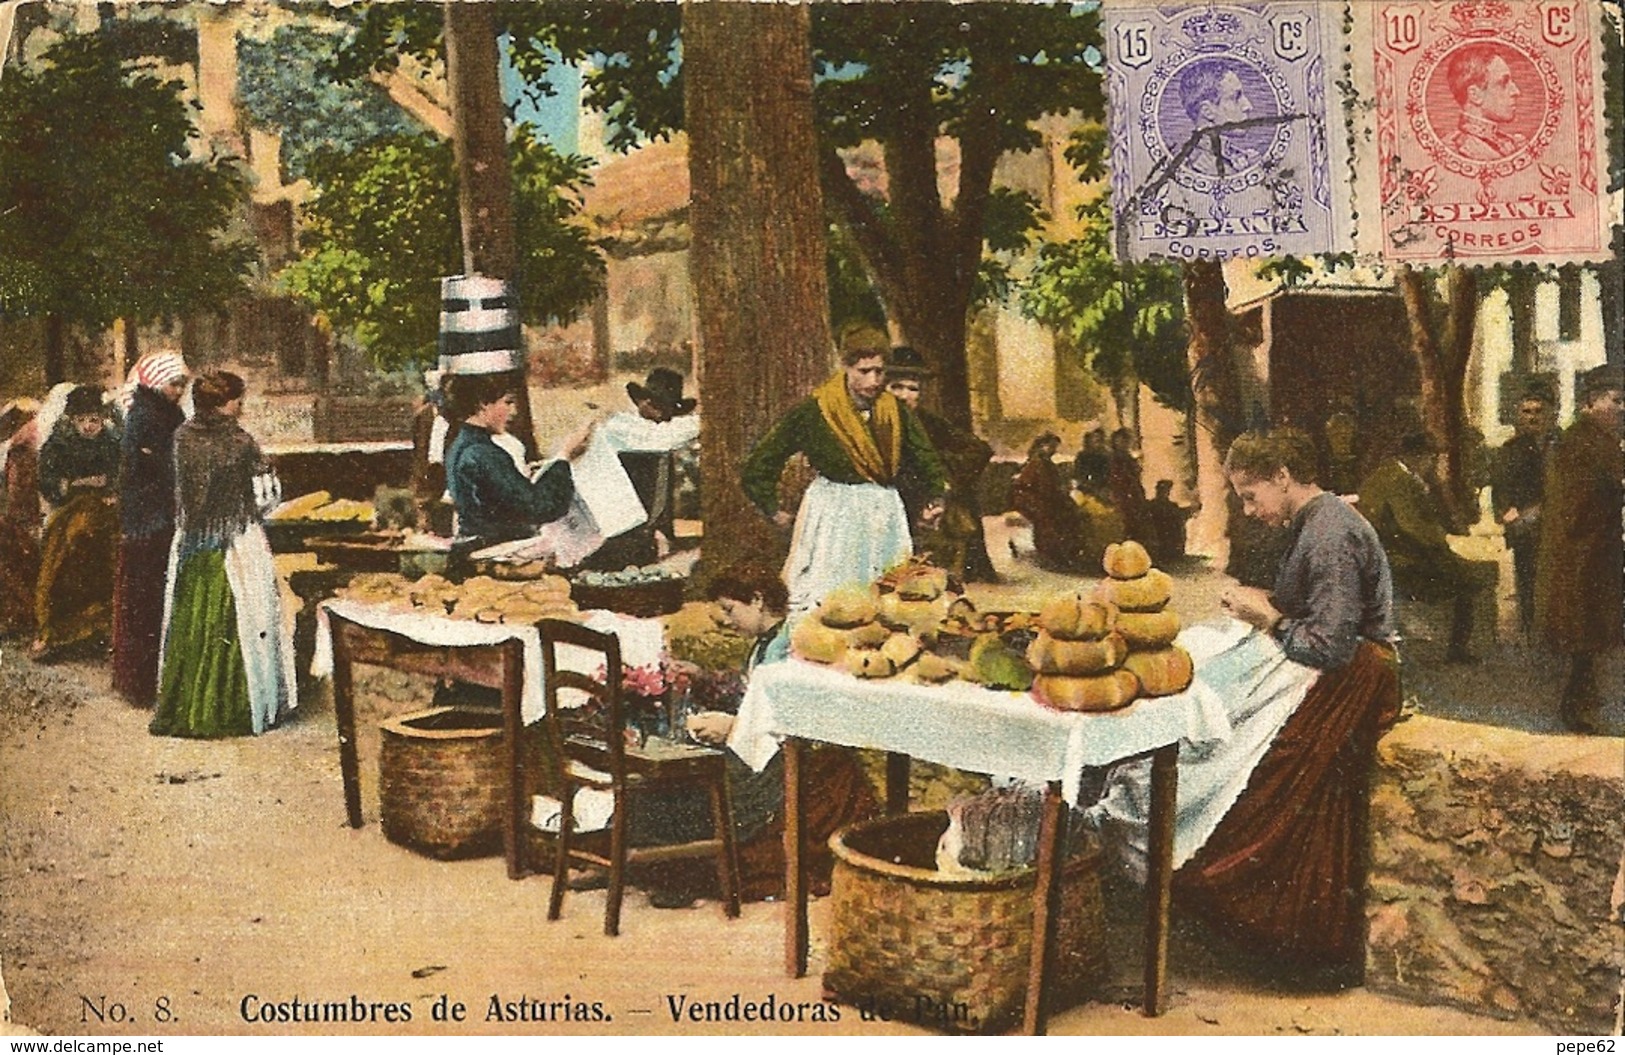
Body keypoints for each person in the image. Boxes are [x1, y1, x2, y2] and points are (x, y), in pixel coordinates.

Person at [1093, 428, 1401, 980]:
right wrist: (1264, 607)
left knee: (1234, 769)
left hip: (1346, 679)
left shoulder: (1330, 533)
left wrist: (1269, 617)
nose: (1248, 508)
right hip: (1324, 667)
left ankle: (1254, 924)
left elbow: (1330, 645)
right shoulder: (1314, 522)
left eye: (1251, 495)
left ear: (1284, 477)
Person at [639, 563, 879, 906]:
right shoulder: (765, 643)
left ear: (757, 600)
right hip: (764, 746)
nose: (723, 619)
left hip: (798, 755)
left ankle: (686, 873)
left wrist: (733, 727)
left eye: (729, 609)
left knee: (699, 788)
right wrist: (703, 677)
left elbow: (793, 714)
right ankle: (667, 868)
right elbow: (750, 692)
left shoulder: (793, 643)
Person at [741, 346, 945, 613]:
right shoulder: (817, 410)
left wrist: (937, 496)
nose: (873, 380)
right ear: (846, 369)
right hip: (834, 508)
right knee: (827, 588)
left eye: (879, 371)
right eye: (864, 371)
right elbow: (762, 461)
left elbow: (924, 455)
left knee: (887, 586)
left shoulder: (893, 410)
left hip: (883, 506)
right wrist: (772, 507)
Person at [151, 372, 295, 738]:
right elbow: (267, 497)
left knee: (191, 622)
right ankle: (235, 710)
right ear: (224, 404)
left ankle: (185, 709)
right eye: (237, 400)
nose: (241, 405)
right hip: (237, 542)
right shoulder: (240, 441)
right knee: (244, 620)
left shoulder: (181, 437)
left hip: (192, 542)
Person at [1534, 366, 1623, 735]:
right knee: (1585, 635)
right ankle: (1578, 709)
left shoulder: (1588, 438)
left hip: (1589, 552)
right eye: (1616, 401)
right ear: (1590, 403)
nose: (1623, 409)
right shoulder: (1585, 441)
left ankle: (1582, 704)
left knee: (1588, 637)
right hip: (1582, 556)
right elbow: (1601, 487)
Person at [1358, 433, 1496, 664]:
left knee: (1467, 572)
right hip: (1398, 559)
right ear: (1417, 456)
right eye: (1431, 457)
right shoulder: (1397, 480)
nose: (1432, 463)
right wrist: (1448, 540)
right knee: (1472, 579)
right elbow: (1412, 525)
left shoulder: (1392, 474)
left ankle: (1455, 647)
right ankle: (1456, 650)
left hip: (1393, 553)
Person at [111, 352, 188, 707]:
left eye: (183, 385)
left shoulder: (167, 413)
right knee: (144, 601)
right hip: (147, 520)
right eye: (175, 384)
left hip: (160, 515)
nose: (180, 391)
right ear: (157, 383)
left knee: (155, 600)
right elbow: (138, 466)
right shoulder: (144, 415)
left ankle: (151, 681)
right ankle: (139, 685)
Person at [884, 346, 997, 582]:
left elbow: (979, 450)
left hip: (928, 510)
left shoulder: (929, 423)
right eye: (896, 387)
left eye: (912, 389)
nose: (904, 395)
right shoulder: (870, 425)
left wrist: (946, 476)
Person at [443, 373, 588, 554]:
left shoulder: (461, 444)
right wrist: (564, 455)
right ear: (483, 404)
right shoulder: (483, 453)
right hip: (493, 552)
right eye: (508, 402)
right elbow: (538, 507)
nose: (514, 411)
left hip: (475, 547)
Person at [31, 385, 120, 660]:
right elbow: (47, 483)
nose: (89, 427)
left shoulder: (111, 442)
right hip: (68, 506)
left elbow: (120, 472)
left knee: (111, 553)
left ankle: (103, 627)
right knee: (64, 550)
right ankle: (52, 633)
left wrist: (112, 492)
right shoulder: (58, 444)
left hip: (104, 508)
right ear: (72, 420)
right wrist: (79, 483)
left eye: (94, 420)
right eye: (83, 421)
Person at [590, 367, 702, 568]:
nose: (666, 418)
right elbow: (660, 437)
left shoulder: (643, 426)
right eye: (663, 410)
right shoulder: (621, 426)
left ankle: (653, 535)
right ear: (646, 403)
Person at [1490, 387, 1559, 640]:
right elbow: (1500, 488)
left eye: (1539, 411)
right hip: (1526, 527)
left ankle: (1556, 631)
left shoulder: (1564, 445)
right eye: (1526, 411)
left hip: (1560, 523)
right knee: (1528, 579)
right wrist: (1507, 513)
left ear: (1552, 413)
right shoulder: (1510, 450)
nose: (1532, 417)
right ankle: (1531, 630)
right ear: (1518, 414)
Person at [1010, 432, 1087, 571]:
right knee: (1049, 519)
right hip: (1034, 501)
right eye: (1049, 446)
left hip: (1049, 499)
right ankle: (1050, 554)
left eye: (1054, 447)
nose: (1052, 450)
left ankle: (1067, 552)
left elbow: (1053, 487)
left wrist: (1064, 493)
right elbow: (1025, 487)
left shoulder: (1048, 464)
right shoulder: (1035, 464)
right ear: (1040, 446)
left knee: (1072, 513)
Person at [0, 399, 43, 638]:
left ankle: (21, 616)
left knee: (22, 567)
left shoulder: (27, 453)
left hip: (25, 518)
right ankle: (15, 617)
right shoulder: (14, 453)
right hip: (14, 518)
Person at [1443, 43, 1525, 160]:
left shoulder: (1512, 143)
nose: (1516, 91)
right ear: (1475, 95)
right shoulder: (1458, 149)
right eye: (1503, 83)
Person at [1107, 427, 1151, 543]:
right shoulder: (1115, 457)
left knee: (1136, 518)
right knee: (1127, 518)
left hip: (1132, 491)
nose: (1125, 443)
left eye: (1126, 441)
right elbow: (1117, 475)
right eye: (1122, 441)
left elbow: (1135, 473)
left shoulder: (1128, 456)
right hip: (1122, 491)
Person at [1144, 479, 1195, 565]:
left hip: (1168, 540)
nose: (1166, 492)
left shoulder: (1170, 505)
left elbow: (1178, 514)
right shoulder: (1153, 505)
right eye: (1163, 490)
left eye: (1166, 490)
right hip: (1161, 538)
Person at [1072, 428, 1109, 496]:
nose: (1099, 442)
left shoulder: (1107, 455)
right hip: (1088, 488)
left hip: (1104, 489)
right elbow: (1079, 473)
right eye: (1096, 439)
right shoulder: (1084, 455)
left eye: (1101, 439)